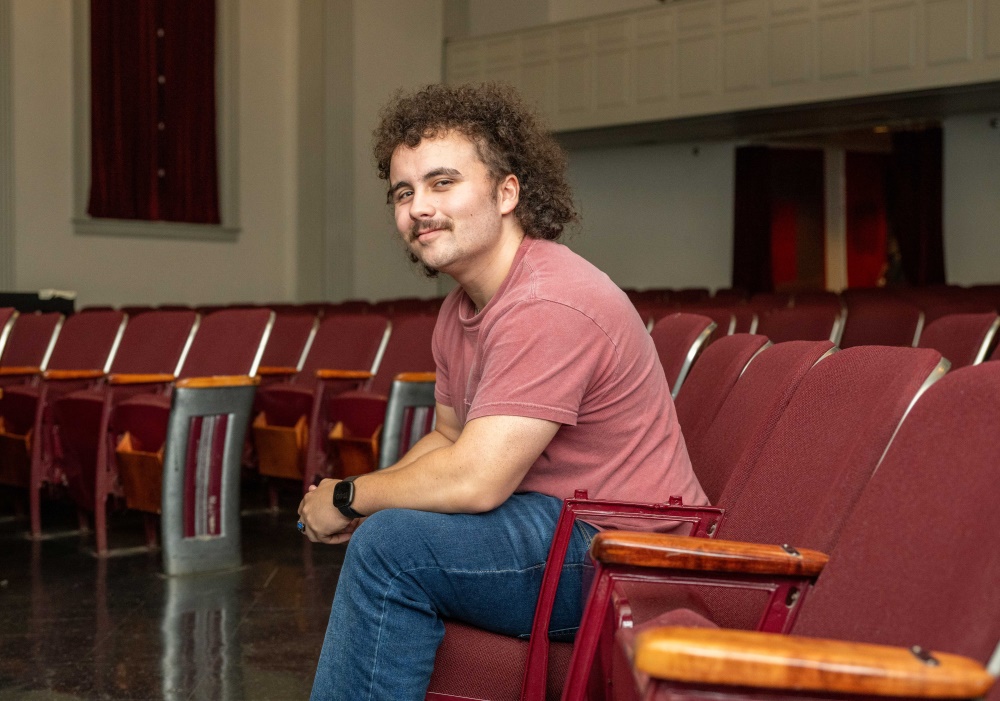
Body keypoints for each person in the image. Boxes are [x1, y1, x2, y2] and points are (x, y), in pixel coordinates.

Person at [298, 82, 707, 700]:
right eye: (404, 193)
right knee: (394, 532)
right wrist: (374, 499)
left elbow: (475, 479)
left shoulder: (546, 300)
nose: (418, 208)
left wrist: (353, 497)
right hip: (555, 522)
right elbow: (448, 439)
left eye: (442, 183)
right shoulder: (463, 308)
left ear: (507, 192)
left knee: (392, 549)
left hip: (624, 549)